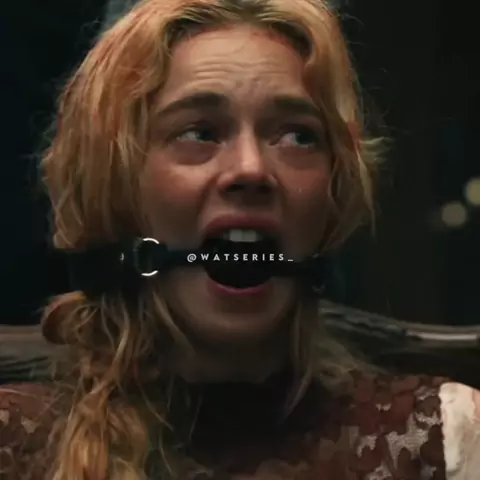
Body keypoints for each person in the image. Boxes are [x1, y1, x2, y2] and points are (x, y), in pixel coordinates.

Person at [0, 0, 479, 478]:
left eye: (297, 137)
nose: (252, 169)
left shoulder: (445, 442)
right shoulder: (13, 442)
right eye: (200, 133)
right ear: (113, 185)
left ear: (335, 191)